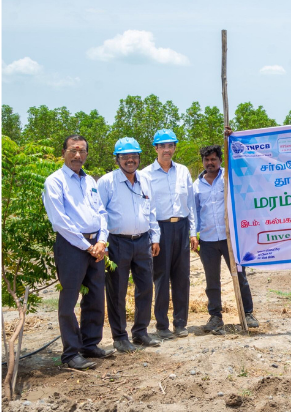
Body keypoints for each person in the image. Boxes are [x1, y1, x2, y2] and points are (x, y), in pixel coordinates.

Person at [41, 134, 109, 369]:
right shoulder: (55, 181)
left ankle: (90, 344)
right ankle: (71, 353)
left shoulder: (90, 180)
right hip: (72, 246)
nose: (78, 155)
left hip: (95, 247)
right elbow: (60, 221)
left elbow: (101, 212)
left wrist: (102, 241)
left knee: (95, 296)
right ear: (64, 152)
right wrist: (87, 246)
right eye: (73, 150)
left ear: (87, 155)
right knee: (68, 300)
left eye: (82, 151)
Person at [95, 136, 158, 354]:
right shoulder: (106, 182)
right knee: (117, 291)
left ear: (139, 157)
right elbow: (99, 214)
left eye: (134, 156)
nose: (130, 160)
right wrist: (101, 242)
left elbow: (151, 211)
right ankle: (119, 337)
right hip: (117, 243)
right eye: (125, 157)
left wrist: (155, 237)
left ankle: (140, 332)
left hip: (142, 241)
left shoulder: (144, 180)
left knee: (146, 288)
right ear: (117, 159)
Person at [190, 143, 256, 334]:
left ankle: (248, 313)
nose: (210, 163)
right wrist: (193, 234)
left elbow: (241, 164)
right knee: (212, 280)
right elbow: (194, 212)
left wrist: (230, 139)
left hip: (230, 238)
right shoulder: (196, 186)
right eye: (206, 159)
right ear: (202, 161)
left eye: (213, 159)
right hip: (208, 240)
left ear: (220, 160)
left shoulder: (229, 177)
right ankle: (215, 316)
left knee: (240, 276)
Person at [140, 129, 196, 340]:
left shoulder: (183, 171)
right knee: (161, 278)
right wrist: (154, 237)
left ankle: (180, 323)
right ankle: (162, 325)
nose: (167, 150)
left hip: (181, 227)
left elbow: (190, 204)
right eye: (162, 146)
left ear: (174, 148)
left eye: (170, 145)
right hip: (159, 229)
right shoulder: (146, 174)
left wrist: (192, 232)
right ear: (155, 148)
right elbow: (148, 208)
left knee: (182, 277)